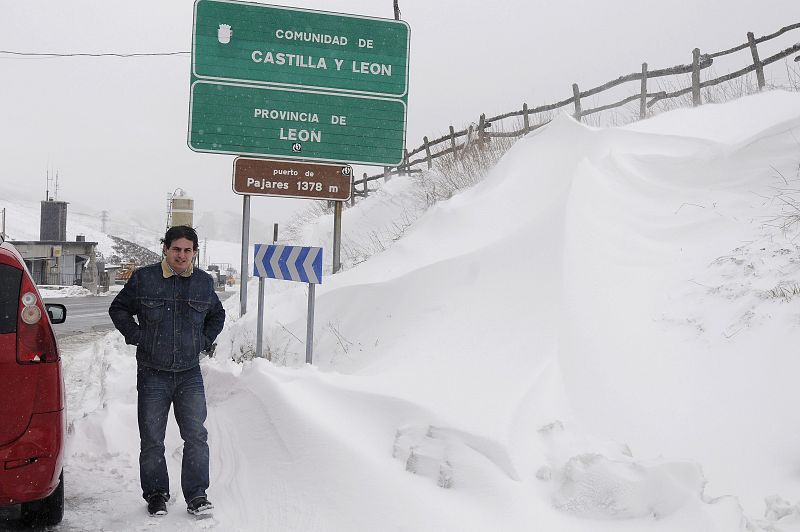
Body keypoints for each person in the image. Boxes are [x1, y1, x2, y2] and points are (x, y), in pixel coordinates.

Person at [109, 225, 225, 517]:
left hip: (189, 374)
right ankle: (156, 494)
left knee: (196, 436)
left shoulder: (203, 282)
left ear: (195, 252)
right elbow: (119, 308)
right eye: (176, 249)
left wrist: (203, 340)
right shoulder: (144, 279)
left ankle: (197, 495)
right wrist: (137, 335)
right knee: (152, 439)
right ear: (166, 248)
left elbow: (217, 315)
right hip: (152, 373)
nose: (182, 255)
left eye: (188, 250)